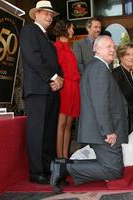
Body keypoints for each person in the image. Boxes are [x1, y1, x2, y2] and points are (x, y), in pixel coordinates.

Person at [50, 35, 128, 193]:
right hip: (103, 131)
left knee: (114, 167)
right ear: (96, 49)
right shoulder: (99, 68)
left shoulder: (99, 67)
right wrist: (108, 131)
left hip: (100, 129)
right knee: (114, 170)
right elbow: (100, 103)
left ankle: (63, 166)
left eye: (113, 47)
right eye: (108, 46)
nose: (112, 50)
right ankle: (63, 168)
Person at [20, 0, 63, 184]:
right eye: (45, 12)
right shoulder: (30, 30)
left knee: (49, 132)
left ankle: (48, 169)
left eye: (51, 14)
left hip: (50, 90)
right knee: (38, 132)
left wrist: (59, 80)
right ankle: (37, 172)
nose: (49, 16)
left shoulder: (47, 37)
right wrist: (54, 77)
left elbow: (55, 64)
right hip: (38, 90)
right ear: (36, 14)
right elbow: (33, 57)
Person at [53, 20, 80, 160]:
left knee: (69, 124)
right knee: (62, 123)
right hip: (64, 87)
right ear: (65, 29)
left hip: (74, 86)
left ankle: (65, 157)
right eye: (71, 28)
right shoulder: (56, 47)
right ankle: (60, 158)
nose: (73, 31)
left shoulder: (69, 48)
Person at [112, 44, 133, 152]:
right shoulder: (116, 73)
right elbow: (115, 101)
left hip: (132, 119)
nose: (131, 57)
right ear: (121, 56)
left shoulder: (131, 74)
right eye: (128, 54)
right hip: (121, 121)